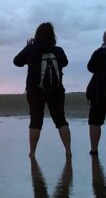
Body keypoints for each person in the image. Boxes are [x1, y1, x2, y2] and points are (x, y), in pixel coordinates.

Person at [13, 22, 71, 158]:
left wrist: (27, 47)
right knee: (61, 120)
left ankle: (32, 152)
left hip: (35, 91)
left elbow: (17, 61)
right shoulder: (59, 51)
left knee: (35, 121)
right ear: (52, 35)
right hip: (56, 91)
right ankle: (68, 150)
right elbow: (65, 62)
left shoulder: (32, 50)